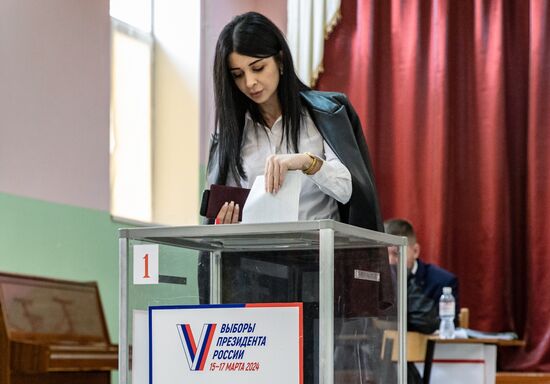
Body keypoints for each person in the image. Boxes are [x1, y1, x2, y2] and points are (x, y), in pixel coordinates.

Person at [202, 11, 393, 383]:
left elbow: (350, 188)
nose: (251, 83)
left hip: (318, 267)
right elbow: (221, 207)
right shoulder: (232, 135)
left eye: (258, 67)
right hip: (255, 270)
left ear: (280, 59)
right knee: (261, 372)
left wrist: (307, 162)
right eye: (238, 75)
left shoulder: (324, 115)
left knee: (314, 369)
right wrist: (224, 222)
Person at [384, 218, 460, 316]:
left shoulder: (443, 282)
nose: (390, 261)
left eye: (396, 253)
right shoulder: (377, 279)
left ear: (415, 251)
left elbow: (448, 325)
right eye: (384, 254)